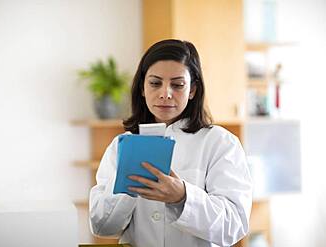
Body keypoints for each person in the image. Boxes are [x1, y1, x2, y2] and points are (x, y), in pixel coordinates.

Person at [89, 39, 252, 247]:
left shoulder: (220, 143)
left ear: (192, 90)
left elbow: (234, 226)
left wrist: (183, 197)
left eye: (177, 85)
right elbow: (102, 227)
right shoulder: (120, 146)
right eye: (155, 83)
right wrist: (126, 188)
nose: (165, 93)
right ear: (142, 87)